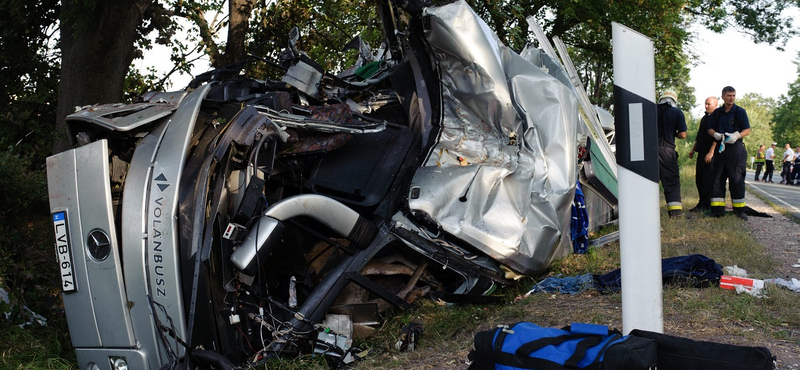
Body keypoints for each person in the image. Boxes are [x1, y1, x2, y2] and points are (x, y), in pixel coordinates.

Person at [708, 86, 750, 220]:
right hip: (721, 149)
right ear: (723, 97)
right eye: (729, 96)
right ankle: (717, 210)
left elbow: (747, 129)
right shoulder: (717, 113)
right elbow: (709, 129)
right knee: (717, 180)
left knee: (736, 180)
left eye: (733, 96)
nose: (731, 98)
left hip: (736, 149)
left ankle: (740, 211)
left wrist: (737, 135)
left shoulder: (740, 112)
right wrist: (716, 135)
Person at [656, 89, 688, 217]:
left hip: (649, 151)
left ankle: (645, 210)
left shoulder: (651, 109)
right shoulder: (677, 112)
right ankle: (675, 213)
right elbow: (683, 134)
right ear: (674, 100)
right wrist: (672, 133)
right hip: (667, 151)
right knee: (671, 181)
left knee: (649, 181)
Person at [688, 96, 718, 212]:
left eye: (709, 104)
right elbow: (699, 135)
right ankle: (701, 203)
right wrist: (693, 150)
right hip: (700, 152)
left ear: (715, 105)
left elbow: (717, 138)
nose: (706, 106)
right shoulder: (704, 118)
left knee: (708, 179)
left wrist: (711, 152)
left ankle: (708, 205)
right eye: (705, 104)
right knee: (699, 179)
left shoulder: (717, 118)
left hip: (710, 154)